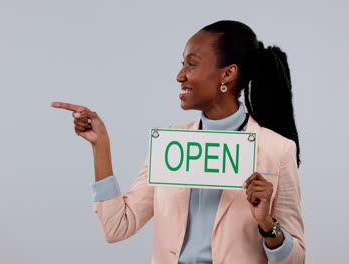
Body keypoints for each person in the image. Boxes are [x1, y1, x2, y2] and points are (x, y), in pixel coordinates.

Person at [51, 20, 304, 264]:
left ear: (227, 73)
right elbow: (117, 227)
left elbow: (296, 260)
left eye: (191, 65)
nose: (179, 76)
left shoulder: (278, 150)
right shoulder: (170, 144)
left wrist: (267, 225)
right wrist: (101, 146)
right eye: (182, 64)